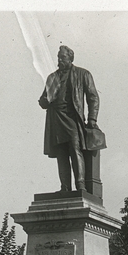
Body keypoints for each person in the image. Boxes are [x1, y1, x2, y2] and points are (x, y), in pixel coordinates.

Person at [38, 45, 101, 193]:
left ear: (70, 58)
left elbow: (93, 97)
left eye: (63, 57)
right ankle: (65, 187)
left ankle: (80, 186)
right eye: (58, 57)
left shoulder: (82, 74)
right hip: (56, 119)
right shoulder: (52, 77)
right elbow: (44, 99)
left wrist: (92, 118)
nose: (59, 60)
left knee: (75, 149)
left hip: (73, 118)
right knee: (61, 154)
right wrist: (44, 101)